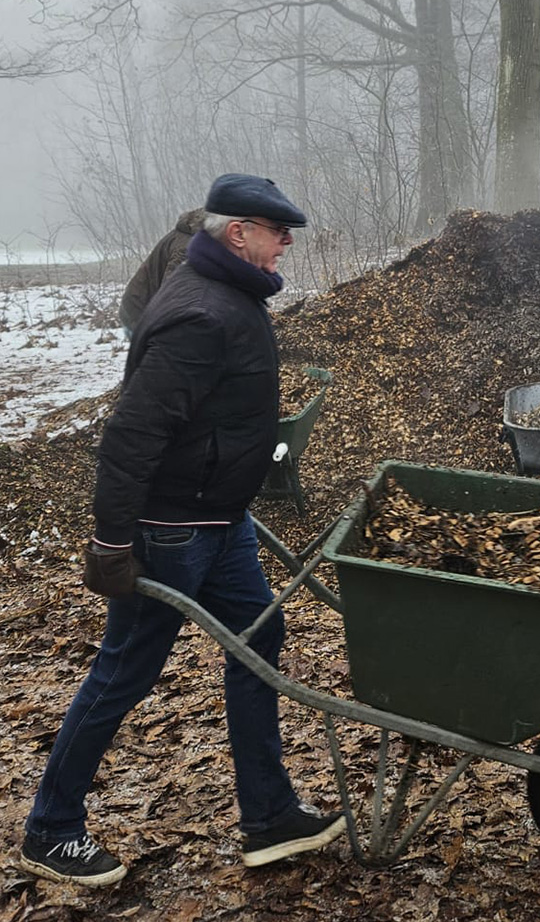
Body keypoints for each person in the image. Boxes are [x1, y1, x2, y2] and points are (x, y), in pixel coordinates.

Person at [19, 174, 343, 887]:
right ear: (238, 234)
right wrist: (111, 542)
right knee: (124, 673)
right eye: (276, 231)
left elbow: (215, 415)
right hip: (172, 532)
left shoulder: (228, 293)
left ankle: (270, 816)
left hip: (218, 522)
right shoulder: (202, 313)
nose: (286, 242)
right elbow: (132, 434)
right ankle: (51, 829)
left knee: (259, 644)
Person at [118, 207, 207, 333]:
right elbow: (173, 293)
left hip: (141, 306)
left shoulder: (192, 235)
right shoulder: (187, 247)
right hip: (140, 313)